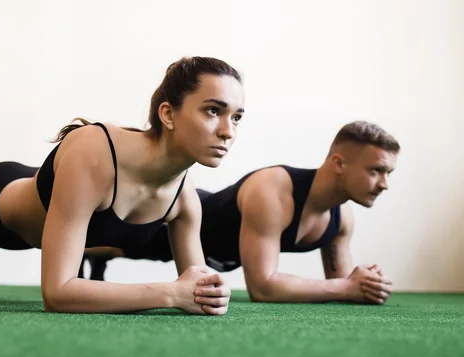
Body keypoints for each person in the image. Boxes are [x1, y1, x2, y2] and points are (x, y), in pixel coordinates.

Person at [0, 56, 246, 315]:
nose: (228, 131)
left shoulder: (184, 200)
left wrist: (211, 294)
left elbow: (196, 287)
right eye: (213, 110)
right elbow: (59, 292)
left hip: (50, 220)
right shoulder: (94, 152)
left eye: (237, 117)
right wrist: (169, 293)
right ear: (168, 113)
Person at [86, 121, 399, 305]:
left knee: (123, 246)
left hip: (218, 252)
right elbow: (263, 287)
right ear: (339, 164)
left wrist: (367, 284)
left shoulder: (342, 220)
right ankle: (97, 251)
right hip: (179, 220)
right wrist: (347, 286)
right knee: (110, 237)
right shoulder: (274, 189)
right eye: (376, 171)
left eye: (388, 173)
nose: (384, 184)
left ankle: (101, 254)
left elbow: (342, 286)